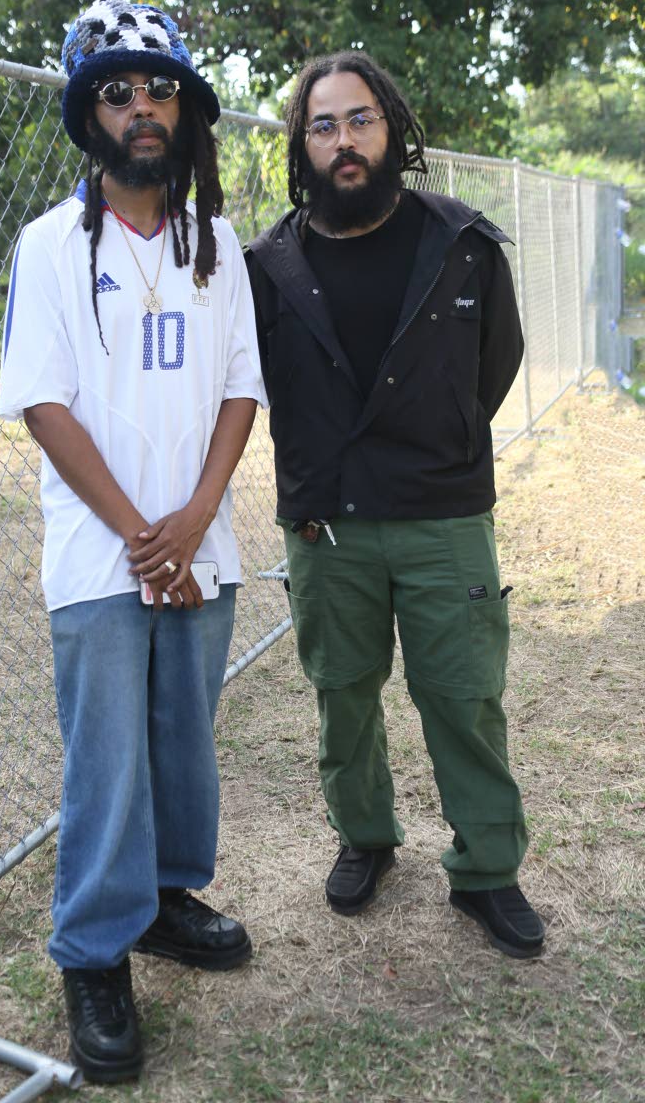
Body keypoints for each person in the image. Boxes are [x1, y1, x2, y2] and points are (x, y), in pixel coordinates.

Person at [0, 0, 266, 1082]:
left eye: (158, 88)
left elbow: (241, 390)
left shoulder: (216, 242)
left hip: (199, 544)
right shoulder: (52, 245)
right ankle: (93, 953)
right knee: (105, 761)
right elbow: (44, 403)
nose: (141, 107)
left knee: (180, 738)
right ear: (86, 114)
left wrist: (195, 519)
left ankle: (161, 901)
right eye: (116, 90)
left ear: (186, 110)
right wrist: (137, 535)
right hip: (99, 556)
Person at [245, 51, 545, 960]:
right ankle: (366, 837)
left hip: (443, 516)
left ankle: (488, 869)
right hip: (325, 523)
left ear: (394, 129)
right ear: (302, 143)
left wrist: (436, 447)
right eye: (324, 124)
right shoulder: (269, 264)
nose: (344, 140)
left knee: (463, 696)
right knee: (343, 695)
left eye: (360, 119)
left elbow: (496, 366)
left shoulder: (462, 243)